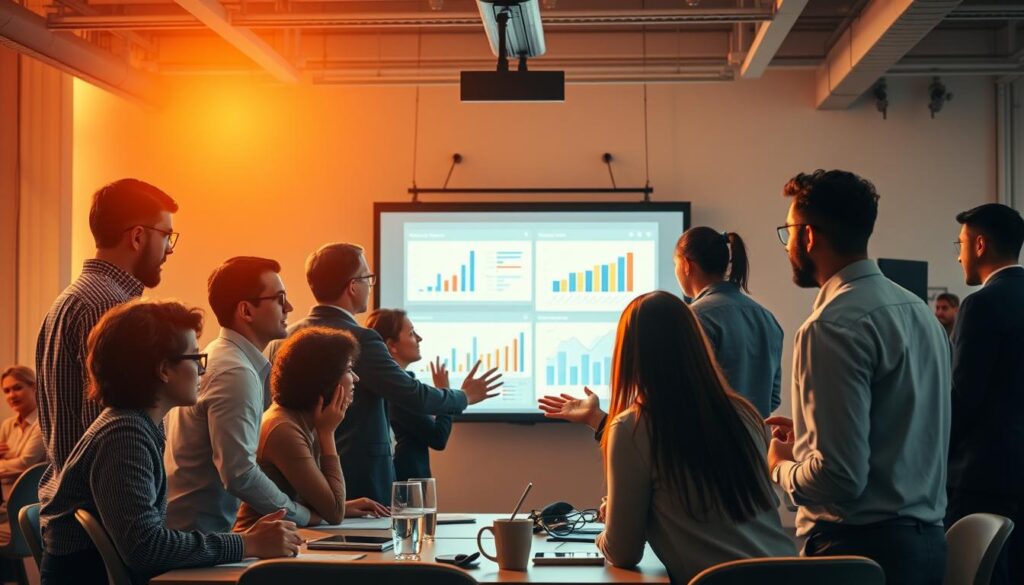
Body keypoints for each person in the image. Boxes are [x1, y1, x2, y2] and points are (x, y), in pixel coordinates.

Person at [766, 170, 950, 585]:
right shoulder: (919, 312)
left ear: (809, 236)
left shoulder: (831, 325)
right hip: (926, 550)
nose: (787, 244)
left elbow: (840, 478)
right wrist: (812, 438)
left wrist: (779, 465)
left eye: (788, 232)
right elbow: (902, 429)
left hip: (858, 554)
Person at [38, 300, 300, 585]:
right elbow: (145, 549)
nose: (202, 371)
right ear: (164, 370)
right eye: (195, 359)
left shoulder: (134, 424)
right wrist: (248, 544)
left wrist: (245, 541)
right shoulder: (124, 435)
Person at [267, 243, 501, 503]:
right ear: (353, 286)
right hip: (360, 479)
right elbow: (413, 395)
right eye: (368, 278)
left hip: (297, 475)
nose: (370, 285)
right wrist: (464, 396)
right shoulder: (361, 338)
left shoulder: (283, 339)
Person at [591, 291, 793, 583]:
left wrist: (608, 528)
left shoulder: (631, 427)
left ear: (630, 354)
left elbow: (623, 552)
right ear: (696, 343)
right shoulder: (744, 413)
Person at [36, 179, 178, 501]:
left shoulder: (71, 298)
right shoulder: (110, 309)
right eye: (166, 236)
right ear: (138, 236)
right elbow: (117, 445)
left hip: (80, 514)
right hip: (104, 524)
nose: (169, 249)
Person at [166, 257, 314, 533]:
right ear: (246, 310)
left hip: (199, 531)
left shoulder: (221, 355)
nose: (290, 307)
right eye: (280, 298)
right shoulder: (235, 372)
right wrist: (303, 516)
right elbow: (239, 475)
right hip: (199, 541)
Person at [234, 327, 389, 531]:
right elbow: (333, 513)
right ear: (325, 378)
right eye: (349, 369)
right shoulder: (284, 429)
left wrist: (345, 506)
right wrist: (327, 433)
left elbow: (323, 504)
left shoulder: (295, 418)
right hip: (259, 551)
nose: (356, 379)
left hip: (285, 539)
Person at [946, 203, 1024, 585]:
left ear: (980, 244)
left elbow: (964, 399)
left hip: (982, 476)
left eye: (960, 243)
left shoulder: (981, 305)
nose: (958, 254)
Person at [675, 227, 784, 417]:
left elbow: (686, 393)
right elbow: (772, 399)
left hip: (709, 443)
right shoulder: (767, 318)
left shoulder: (694, 318)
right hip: (758, 442)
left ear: (686, 265)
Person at [365, 309, 453, 481]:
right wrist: (446, 394)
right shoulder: (399, 392)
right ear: (392, 345)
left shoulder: (387, 385)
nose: (419, 338)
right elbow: (438, 437)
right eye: (412, 333)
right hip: (406, 487)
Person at [0, 366, 45, 544]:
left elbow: (25, 464)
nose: (11, 395)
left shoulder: (43, 423)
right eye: (6, 391)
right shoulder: (7, 425)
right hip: (4, 505)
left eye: (17, 388)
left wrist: (6, 461)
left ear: (34, 387)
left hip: (28, 508)